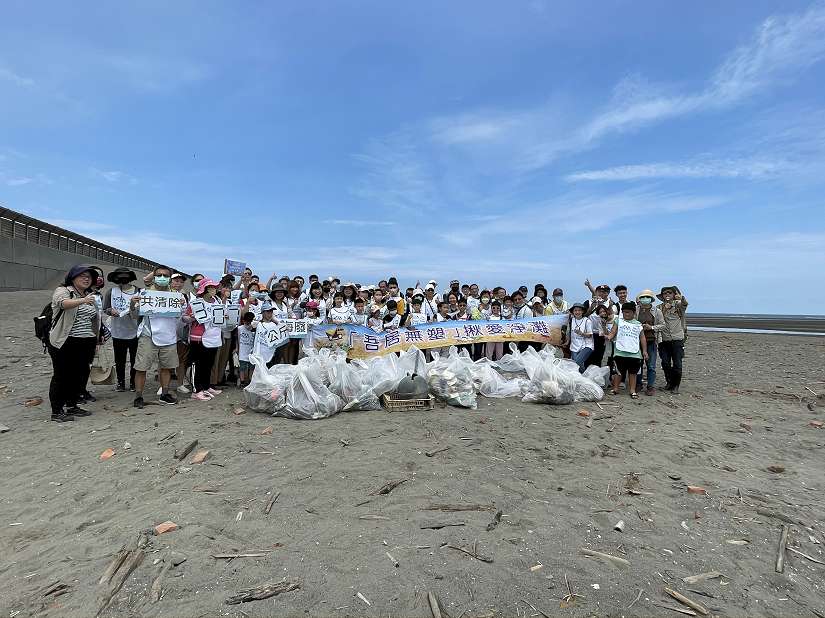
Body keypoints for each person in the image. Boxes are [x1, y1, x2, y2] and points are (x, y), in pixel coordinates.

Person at [46, 265, 102, 422]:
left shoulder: (90, 295)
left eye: (89, 277)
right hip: (65, 341)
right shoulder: (63, 290)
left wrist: (97, 338)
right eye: (82, 275)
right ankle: (57, 411)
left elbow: (94, 319)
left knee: (80, 375)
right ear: (72, 277)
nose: (86, 279)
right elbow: (62, 303)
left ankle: (72, 406)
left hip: (86, 341)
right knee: (62, 375)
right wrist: (83, 300)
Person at [129, 265, 180, 409]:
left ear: (170, 278)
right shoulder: (145, 293)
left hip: (168, 336)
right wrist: (133, 304)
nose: (162, 278)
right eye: (159, 275)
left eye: (165, 275)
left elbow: (179, 316)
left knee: (166, 367)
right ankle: (138, 396)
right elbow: (134, 315)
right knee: (141, 367)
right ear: (154, 276)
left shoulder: (175, 295)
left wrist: (181, 306)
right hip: (148, 335)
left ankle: (164, 394)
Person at [181, 278, 224, 401]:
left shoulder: (217, 301)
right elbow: (184, 318)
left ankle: (206, 386)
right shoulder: (196, 303)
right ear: (204, 289)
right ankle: (196, 390)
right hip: (199, 338)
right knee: (197, 364)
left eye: (214, 288)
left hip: (214, 336)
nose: (213, 290)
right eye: (210, 288)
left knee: (208, 363)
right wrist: (192, 318)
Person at [103, 267, 140, 392]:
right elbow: (105, 308)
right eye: (120, 276)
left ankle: (134, 382)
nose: (123, 278)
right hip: (117, 331)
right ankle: (120, 382)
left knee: (135, 359)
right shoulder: (111, 291)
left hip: (136, 331)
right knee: (120, 360)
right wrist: (110, 311)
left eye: (125, 276)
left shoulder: (138, 291)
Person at [607, 302, 648, 399]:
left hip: (634, 353)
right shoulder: (618, 321)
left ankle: (632, 390)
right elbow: (613, 332)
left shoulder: (638, 324)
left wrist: (645, 351)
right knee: (618, 372)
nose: (626, 314)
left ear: (634, 313)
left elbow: (642, 338)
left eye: (628, 312)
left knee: (633, 373)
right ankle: (616, 389)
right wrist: (608, 337)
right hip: (620, 351)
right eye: (624, 312)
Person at [657, 285, 689, 394]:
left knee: (677, 364)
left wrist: (681, 297)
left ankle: (676, 386)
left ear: (673, 295)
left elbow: (684, 304)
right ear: (662, 296)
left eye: (669, 293)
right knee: (665, 363)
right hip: (663, 339)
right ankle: (669, 383)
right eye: (665, 293)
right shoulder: (659, 308)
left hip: (677, 339)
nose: (667, 295)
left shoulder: (678, 305)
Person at [635, 289, 665, 395]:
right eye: (642, 297)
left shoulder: (657, 311)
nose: (645, 299)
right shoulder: (636, 310)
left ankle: (650, 386)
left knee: (651, 365)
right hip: (637, 341)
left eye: (647, 297)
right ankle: (638, 384)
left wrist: (651, 327)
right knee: (638, 364)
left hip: (651, 341)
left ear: (651, 299)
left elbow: (663, 325)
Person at [566, 303, 593, 372]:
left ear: (583, 311)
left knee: (577, 363)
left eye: (579, 310)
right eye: (575, 310)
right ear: (573, 312)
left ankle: (584, 378)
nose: (577, 312)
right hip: (574, 346)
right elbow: (569, 333)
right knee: (577, 366)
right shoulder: (571, 320)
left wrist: (582, 333)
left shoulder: (587, 321)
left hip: (586, 346)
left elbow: (590, 335)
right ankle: (582, 378)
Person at [237, 311, 256, 387]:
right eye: (247, 322)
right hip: (242, 351)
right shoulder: (240, 328)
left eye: (250, 323)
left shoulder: (255, 330)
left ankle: (250, 380)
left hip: (251, 351)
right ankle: (242, 381)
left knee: (251, 366)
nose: (248, 325)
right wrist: (237, 348)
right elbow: (237, 339)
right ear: (243, 321)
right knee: (242, 367)